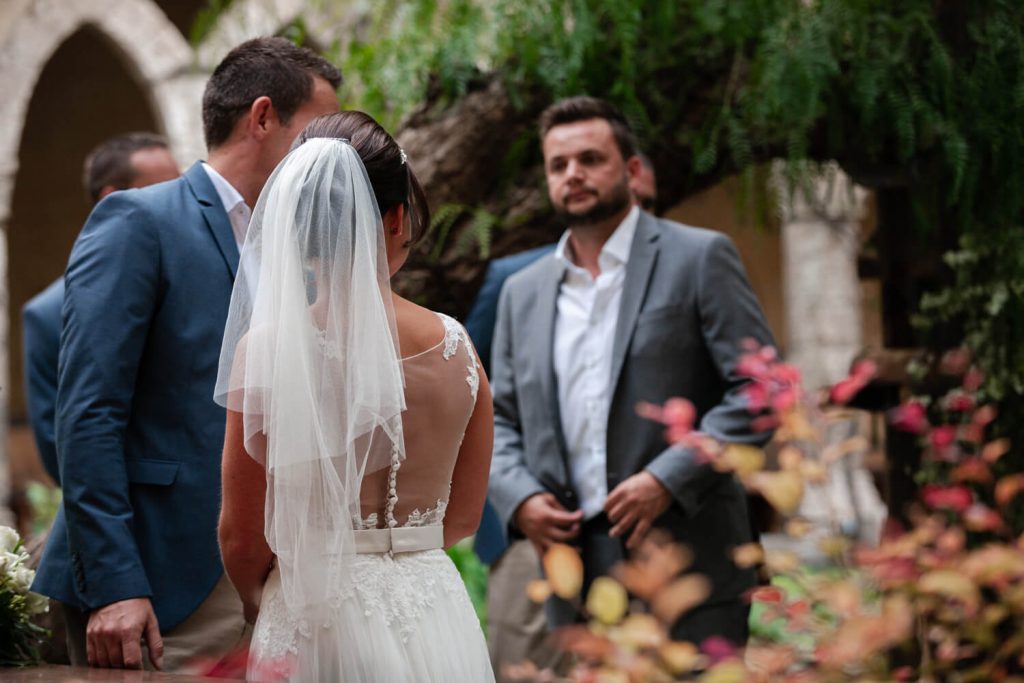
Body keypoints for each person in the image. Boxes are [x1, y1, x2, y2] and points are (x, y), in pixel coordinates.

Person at [31, 37, 341, 671]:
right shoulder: (138, 222)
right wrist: (117, 582)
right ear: (262, 117)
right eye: (318, 129)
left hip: (274, 579)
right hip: (162, 581)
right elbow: (88, 413)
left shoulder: (295, 248)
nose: (328, 152)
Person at [216, 111, 495, 682]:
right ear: (397, 217)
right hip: (432, 607)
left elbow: (241, 537)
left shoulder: (264, 354)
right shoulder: (456, 346)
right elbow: (465, 515)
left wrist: (260, 599)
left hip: (311, 611)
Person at [488, 96, 775, 647]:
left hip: (690, 562)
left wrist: (669, 476)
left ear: (634, 170)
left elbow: (761, 391)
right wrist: (519, 497)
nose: (573, 174)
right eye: (558, 165)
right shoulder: (520, 294)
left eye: (590, 159)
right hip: (574, 570)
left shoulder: (699, 257)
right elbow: (499, 421)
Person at [22, 132, 179, 485]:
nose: (179, 203)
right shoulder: (47, 314)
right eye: (165, 190)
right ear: (111, 199)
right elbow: (58, 448)